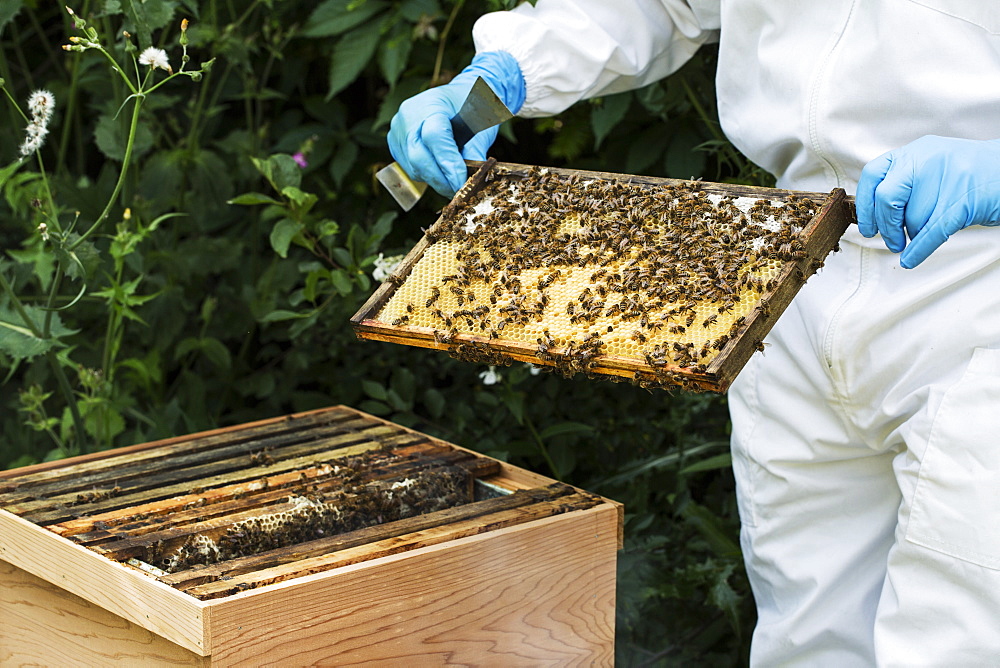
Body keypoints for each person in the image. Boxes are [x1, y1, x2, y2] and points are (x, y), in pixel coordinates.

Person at [387, 1, 1000, 664]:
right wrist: (508, 69)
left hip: (976, 282)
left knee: (960, 634)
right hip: (791, 267)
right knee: (806, 634)